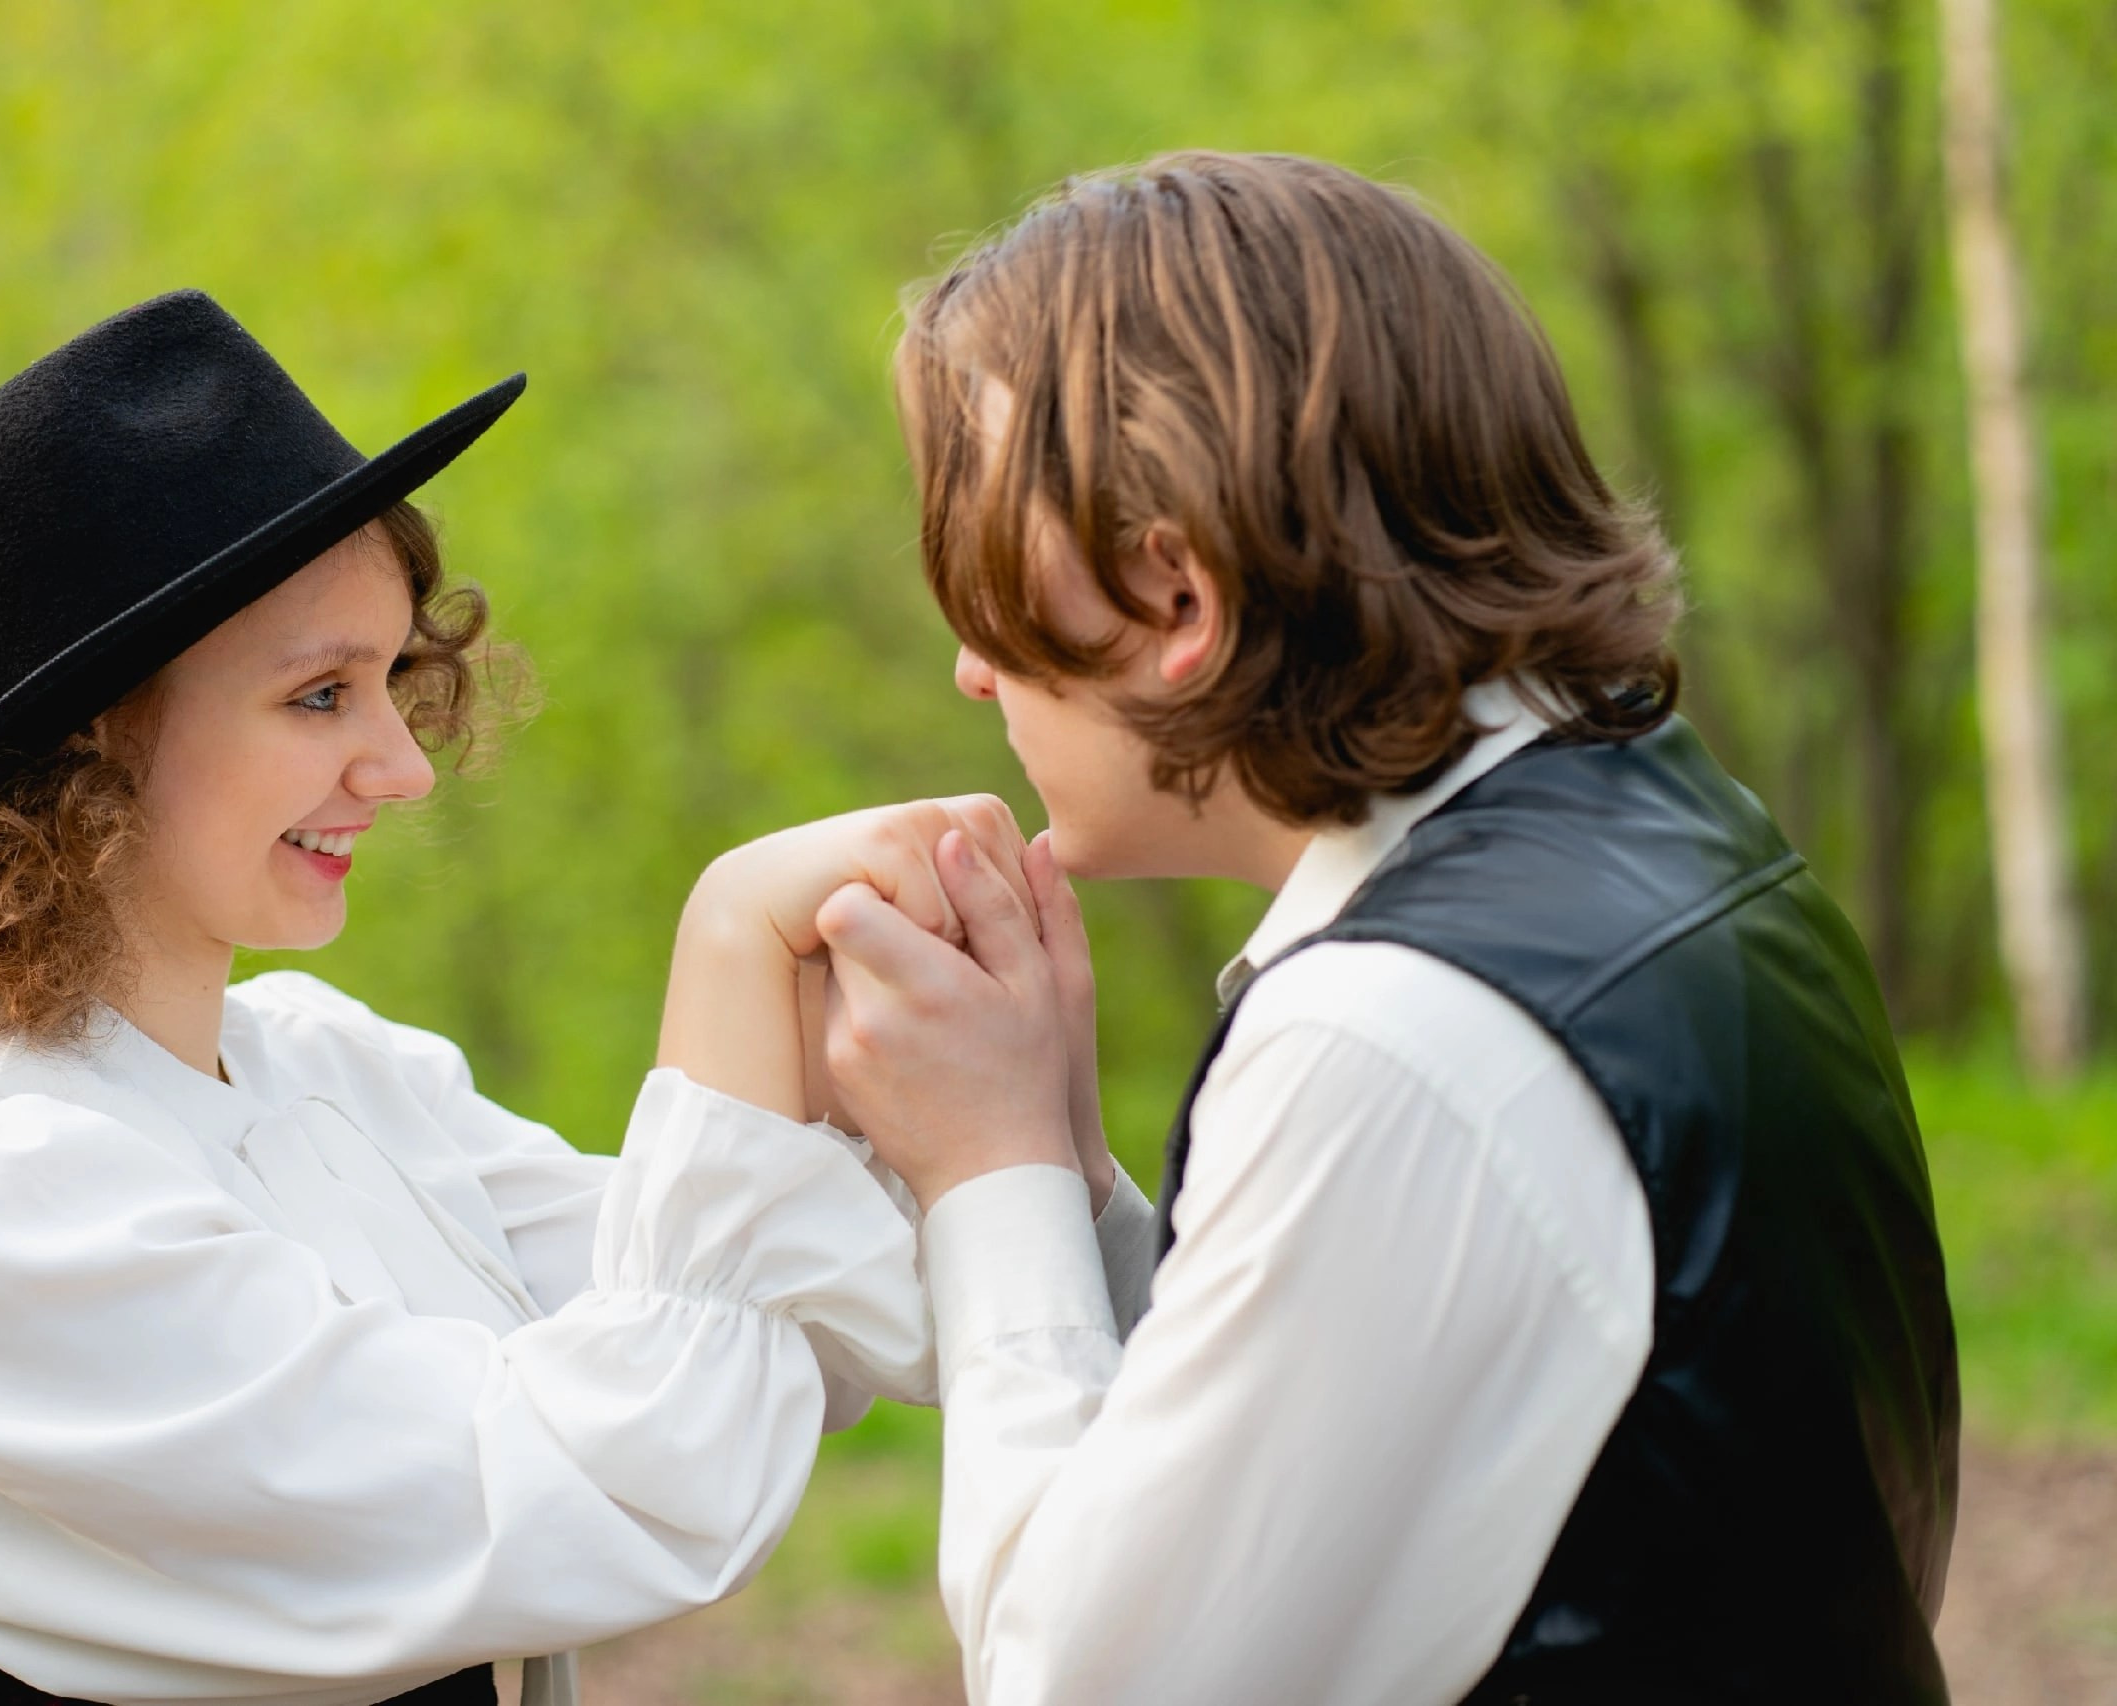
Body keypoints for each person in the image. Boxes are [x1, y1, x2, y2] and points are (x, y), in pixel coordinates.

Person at [0, 289, 1062, 1706]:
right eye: (320, 696)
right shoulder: (5, 1207)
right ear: (93, 737)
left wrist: (966, 1094)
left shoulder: (331, 1072)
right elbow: (625, 1491)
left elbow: (789, 1304)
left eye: (389, 678)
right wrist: (730, 948)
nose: (404, 764)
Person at [813, 152, 1960, 1704]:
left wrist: (988, 1176)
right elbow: (1396, 1426)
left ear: (1177, 599)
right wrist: (1078, 1187)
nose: (969, 663)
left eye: (985, 562)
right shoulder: (1668, 830)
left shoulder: (1401, 1034)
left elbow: (1084, 1684)